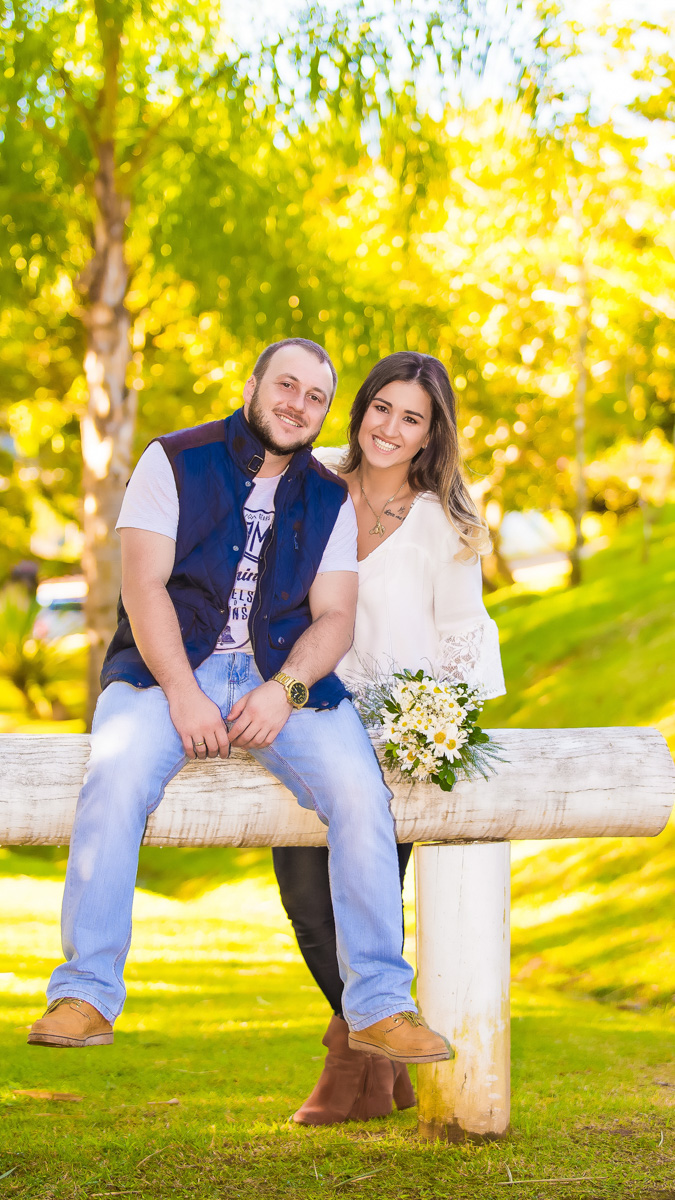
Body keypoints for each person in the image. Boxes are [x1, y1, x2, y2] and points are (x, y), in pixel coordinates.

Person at [27, 338, 450, 1069]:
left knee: (360, 791)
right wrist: (183, 694)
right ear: (253, 386)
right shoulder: (172, 460)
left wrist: (286, 690)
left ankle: (381, 1005)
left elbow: (336, 617)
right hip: (165, 671)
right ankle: (85, 994)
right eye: (285, 386)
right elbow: (143, 587)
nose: (297, 404)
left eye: (315, 397)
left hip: (278, 678)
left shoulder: (328, 497)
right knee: (116, 773)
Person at [272, 351, 506, 1125]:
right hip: (306, 721)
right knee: (306, 902)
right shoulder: (310, 484)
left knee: (359, 901)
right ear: (360, 409)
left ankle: (353, 1061)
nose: (390, 428)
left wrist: (434, 728)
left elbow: (461, 637)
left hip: (392, 746)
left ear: (430, 434)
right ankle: (375, 1051)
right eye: (381, 408)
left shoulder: (446, 523)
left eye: (412, 418)